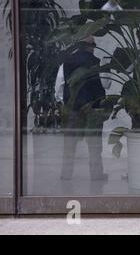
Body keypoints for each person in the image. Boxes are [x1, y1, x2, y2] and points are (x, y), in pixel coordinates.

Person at [55, 36, 111, 181]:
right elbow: (106, 84)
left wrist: (65, 101)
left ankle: (66, 175)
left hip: (73, 108)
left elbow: (59, 87)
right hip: (94, 108)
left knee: (69, 144)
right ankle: (96, 175)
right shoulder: (99, 63)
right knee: (94, 145)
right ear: (91, 46)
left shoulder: (65, 63)